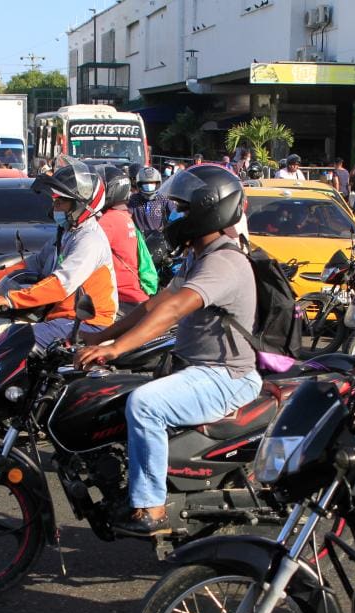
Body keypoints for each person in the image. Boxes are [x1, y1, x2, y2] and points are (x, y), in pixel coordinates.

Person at [75, 165, 261, 535]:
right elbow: (153, 304)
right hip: (196, 368)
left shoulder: (224, 262)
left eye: (182, 209)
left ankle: (152, 508)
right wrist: (100, 338)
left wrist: (116, 349)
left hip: (226, 376)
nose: (174, 215)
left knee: (145, 404)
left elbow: (173, 310)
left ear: (209, 211)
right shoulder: (199, 257)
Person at [0, 158, 116, 347]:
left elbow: (60, 284)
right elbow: (35, 263)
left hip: (89, 323)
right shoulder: (66, 233)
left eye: (61, 202)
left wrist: (11, 300)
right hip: (60, 316)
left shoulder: (89, 240)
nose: (55, 208)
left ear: (80, 205)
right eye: (55, 201)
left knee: (14, 341)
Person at [96, 164, 149, 310]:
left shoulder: (108, 221)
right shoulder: (123, 215)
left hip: (120, 299)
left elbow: (85, 257)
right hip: (132, 295)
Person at [128, 166, 173, 233]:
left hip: (158, 236)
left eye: (152, 183)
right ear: (140, 184)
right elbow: (126, 217)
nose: (148, 185)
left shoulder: (163, 199)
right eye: (145, 183)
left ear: (157, 183)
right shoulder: (133, 199)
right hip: (140, 237)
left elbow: (174, 214)